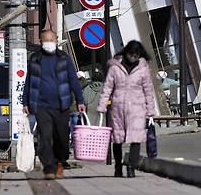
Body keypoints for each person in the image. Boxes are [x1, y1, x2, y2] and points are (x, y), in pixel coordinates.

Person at [23, 30, 85, 180]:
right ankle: (49, 168)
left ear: (56, 40)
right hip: (41, 105)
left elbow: (73, 80)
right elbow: (28, 81)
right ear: (40, 41)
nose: (49, 43)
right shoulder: (35, 59)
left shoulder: (64, 58)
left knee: (62, 137)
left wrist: (80, 100)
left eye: (51, 40)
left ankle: (59, 161)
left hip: (62, 105)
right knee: (45, 136)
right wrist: (25, 102)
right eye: (46, 40)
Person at [97, 40, 156, 178]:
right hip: (118, 108)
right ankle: (118, 166)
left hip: (137, 108)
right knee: (117, 139)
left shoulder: (143, 69)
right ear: (126, 52)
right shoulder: (115, 68)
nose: (133, 57)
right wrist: (102, 105)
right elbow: (107, 87)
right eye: (131, 54)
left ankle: (131, 167)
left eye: (136, 55)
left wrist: (150, 110)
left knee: (136, 138)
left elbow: (148, 90)